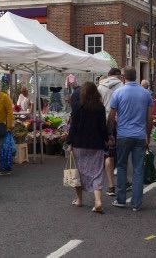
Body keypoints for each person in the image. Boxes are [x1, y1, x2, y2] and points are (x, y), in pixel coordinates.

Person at [107, 67, 153, 211]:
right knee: (138, 169)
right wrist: (148, 135)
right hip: (140, 136)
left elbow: (111, 116)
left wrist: (109, 134)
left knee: (121, 167)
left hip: (123, 135)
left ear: (123, 78)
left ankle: (121, 199)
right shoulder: (146, 94)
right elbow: (149, 118)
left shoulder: (118, 92)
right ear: (136, 77)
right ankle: (136, 203)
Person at [66, 82, 109, 214]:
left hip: (79, 143)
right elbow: (103, 127)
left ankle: (79, 200)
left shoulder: (78, 107)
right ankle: (98, 201)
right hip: (96, 144)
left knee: (78, 172)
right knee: (97, 172)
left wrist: (69, 142)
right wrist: (107, 139)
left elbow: (73, 127)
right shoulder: (100, 108)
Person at [97, 68, 124, 196]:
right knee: (122, 151)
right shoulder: (122, 86)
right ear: (118, 76)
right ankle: (123, 181)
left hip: (105, 120)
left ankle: (111, 186)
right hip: (120, 121)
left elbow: (98, 105)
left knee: (108, 153)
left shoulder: (100, 87)